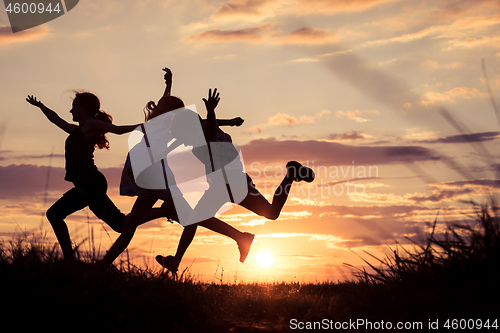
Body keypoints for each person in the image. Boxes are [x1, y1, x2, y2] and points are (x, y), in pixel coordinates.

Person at [97, 68, 255, 271]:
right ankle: (102, 266)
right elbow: (167, 98)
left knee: (190, 216)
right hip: (147, 174)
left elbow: (202, 123)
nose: (159, 101)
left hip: (157, 175)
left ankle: (241, 237)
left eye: (163, 103)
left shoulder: (170, 122)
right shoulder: (159, 118)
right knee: (130, 225)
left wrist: (230, 122)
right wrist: (169, 83)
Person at [154, 88, 315, 273]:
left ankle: (179, 260)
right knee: (271, 213)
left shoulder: (207, 133)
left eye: (181, 134)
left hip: (225, 183)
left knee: (194, 218)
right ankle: (291, 175)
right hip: (237, 182)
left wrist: (211, 110)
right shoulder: (202, 134)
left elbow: (210, 124)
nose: (181, 139)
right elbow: (206, 125)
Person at [26, 92, 141, 261]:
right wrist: (41, 106)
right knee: (55, 214)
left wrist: (143, 126)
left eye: (74, 106)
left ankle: (163, 211)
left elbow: (116, 130)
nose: (71, 111)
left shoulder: (91, 124)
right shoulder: (77, 130)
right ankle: (70, 260)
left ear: (84, 107)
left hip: (91, 183)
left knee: (120, 224)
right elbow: (56, 119)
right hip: (85, 185)